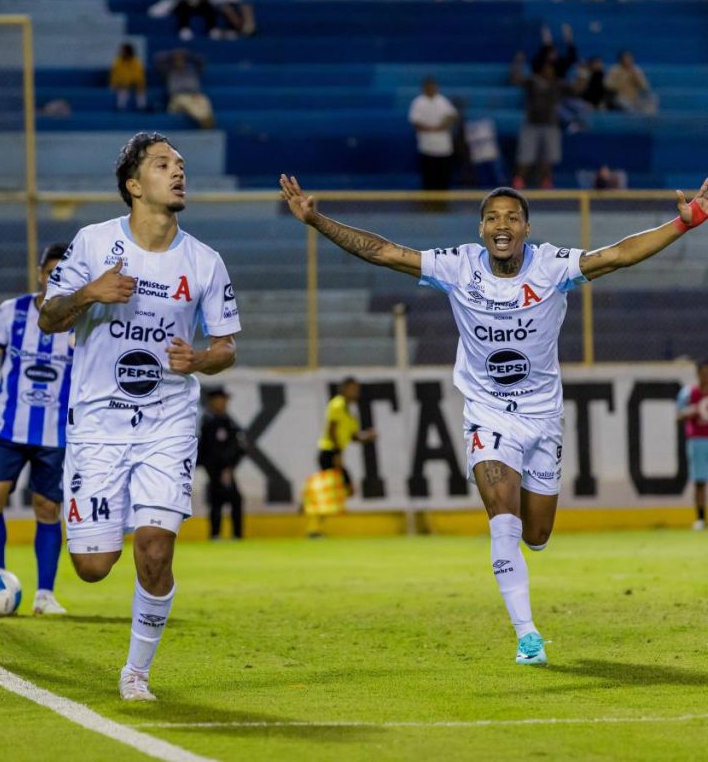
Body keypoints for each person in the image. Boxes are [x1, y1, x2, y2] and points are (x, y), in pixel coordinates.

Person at [280, 172, 708, 666]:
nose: (502, 225)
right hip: (487, 414)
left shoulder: (551, 266)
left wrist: (684, 223)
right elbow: (385, 252)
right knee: (502, 517)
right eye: (492, 218)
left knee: (536, 535)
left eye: (512, 217)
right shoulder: (458, 266)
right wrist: (318, 221)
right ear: (481, 228)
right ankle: (528, 636)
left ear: (527, 228)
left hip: (542, 417)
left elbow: (617, 255)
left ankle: (524, 566)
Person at [39, 132, 240, 701]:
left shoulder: (204, 261)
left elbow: (226, 347)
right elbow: (49, 317)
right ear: (133, 184)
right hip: (98, 423)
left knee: (155, 547)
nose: (178, 172)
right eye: (162, 165)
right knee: (93, 566)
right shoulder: (93, 242)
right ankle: (102, 530)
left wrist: (199, 359)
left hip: (167, 421)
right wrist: (90, 293)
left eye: (180, 165)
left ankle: (136, 672)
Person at [0, 243, 73, 616]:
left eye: (65, 274)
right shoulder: (12, 311)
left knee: (47, 508)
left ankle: (44, 595)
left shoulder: (82, 320)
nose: (56, 279)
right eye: (51, 272)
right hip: (8, 428)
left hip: (55, 434)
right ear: (40, 273)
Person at [311, 377, 377, 537]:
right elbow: (332, 430)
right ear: (344, 389)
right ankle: (313, 525)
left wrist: (367, 437)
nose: (356, 392)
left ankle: (315, 523)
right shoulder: (337, 404)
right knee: (333, 492)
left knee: (341, 491)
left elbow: (353, 436)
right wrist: (337, 453)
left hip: (336, 452)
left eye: (357, 389)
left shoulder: (350, 413)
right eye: (353, 389)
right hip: (329, 452)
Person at [512, 60, 568, 190]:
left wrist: (582, 74)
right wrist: (517, 63)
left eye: (551, 69)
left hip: (550, 125)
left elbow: (577, 90)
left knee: (548, 158)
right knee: (526, 156)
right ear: (541, 70)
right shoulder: (532, 82)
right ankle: (519, 180)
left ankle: (545, 181)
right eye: (546, 68)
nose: (548, 71)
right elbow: (515, 80)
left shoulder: (558, 84)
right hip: (532, 125)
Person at [198, 387, 245, 540]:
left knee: (235, 501)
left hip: (227, 470)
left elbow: (239, 448)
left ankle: (237, 535)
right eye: (219, 399)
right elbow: (205, 449)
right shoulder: (208, 423)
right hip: (215, 471)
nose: (222, 403)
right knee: (216, 502)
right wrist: (216, 469)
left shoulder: (229, 422)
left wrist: (230, 467)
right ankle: (215, 534)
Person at [407, 77, 458, 191]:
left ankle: (443, 200)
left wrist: (443, 125)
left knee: (443, 178)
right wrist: (431, 129)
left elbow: (453, 115)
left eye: (434, 87)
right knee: (429, 179)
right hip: (427, 147)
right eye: (429, 87)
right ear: (424, 88)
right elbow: (415, 122)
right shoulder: (418, 102)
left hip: (444, 147)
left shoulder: (442, 100)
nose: (432, 89)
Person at [676, 360, 708, 531]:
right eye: (703, 373)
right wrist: (691, 411)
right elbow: (678, 416)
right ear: (698, 374)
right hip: (697, 440)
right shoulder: (689, 392)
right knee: (699, 480)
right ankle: (700, 518)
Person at [155, 48, 216, 129]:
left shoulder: (192, 70)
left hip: (195, 96)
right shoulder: (169, 71)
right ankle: (204, 121)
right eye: (177, 60)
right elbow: (158, 58)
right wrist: (172, 54)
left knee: (205, 102)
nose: (180, 61)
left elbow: (201, 59)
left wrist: (188, 55)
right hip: (178, 97)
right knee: (189, 105)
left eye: (182, 59)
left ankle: (207, 122)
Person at [605, 50, 657, 115]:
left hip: (635, 98)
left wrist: (636, 78)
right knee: (625, 104)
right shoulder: (614, 70)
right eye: (626, 59)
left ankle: (650, 117)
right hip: (619, 98)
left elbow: (645, 87)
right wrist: (621, 82)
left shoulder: (637, 70)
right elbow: (607, 85)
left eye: (630, 59)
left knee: (652, 97)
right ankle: (633, 117)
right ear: (621, 60)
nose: (628, 61)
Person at [109, 43, 147, 112]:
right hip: (122, 83)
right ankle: (120, 107)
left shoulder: (136, 61)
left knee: (140, 90)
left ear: (128, 51)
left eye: (123, 51)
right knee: (123, 90)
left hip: (134, 82)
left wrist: (138, 83)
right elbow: (115, 74)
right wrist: (114, 84)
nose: (121, 52)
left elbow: (139, 74)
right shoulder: (118, 60)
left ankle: (142, 107)